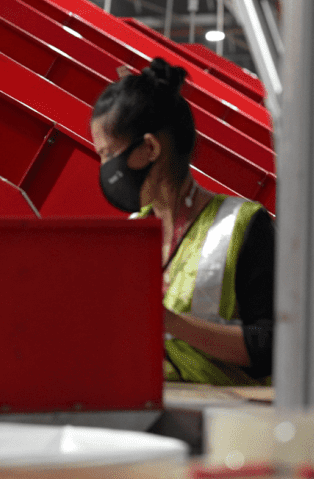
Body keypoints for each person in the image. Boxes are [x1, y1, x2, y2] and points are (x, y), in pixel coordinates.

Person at [91, 58, 274, 385]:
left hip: (225, 418)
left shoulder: (243, 224)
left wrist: (170, 322)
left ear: (149, 148)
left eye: (107, 154)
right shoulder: (133, 230)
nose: (104, 167)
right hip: (146, 410)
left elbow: (272, 347)